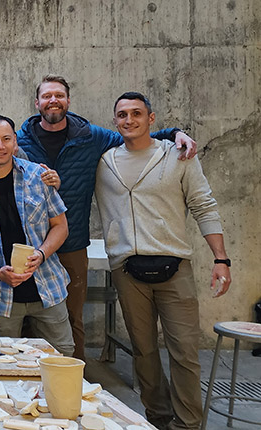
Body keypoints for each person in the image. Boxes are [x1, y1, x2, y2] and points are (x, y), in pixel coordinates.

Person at [16, 74, 197, 361]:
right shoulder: (19, 139)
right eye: (47, 96)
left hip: (71, 244)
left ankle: (73, 385)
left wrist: (175, 133)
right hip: (27, 244)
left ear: (68, 101)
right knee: (25, 318)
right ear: (37, 102)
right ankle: (29, 382)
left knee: (73, 317)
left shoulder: (91, 137)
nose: (53, 101)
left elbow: (135, 136)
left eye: (59, 95)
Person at [95, 92, 231, 430]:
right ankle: (158, 417)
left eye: (137, 113)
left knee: (184, 351)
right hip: (127, 270)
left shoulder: (178, 155)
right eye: (122, 115)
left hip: (175, 266)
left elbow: (203, 204)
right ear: (115, 122)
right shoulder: (104, 161)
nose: (129, 120)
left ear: (151, 119)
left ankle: (188, 424)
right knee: (143, 351)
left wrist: (221, 258)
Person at [0, 115, 74, 357]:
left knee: (61, 357)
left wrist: (41, 254)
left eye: (6, 139)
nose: (0, 146)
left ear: (15, 142)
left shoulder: (38, 177)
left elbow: (60, 225)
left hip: (47, 287)